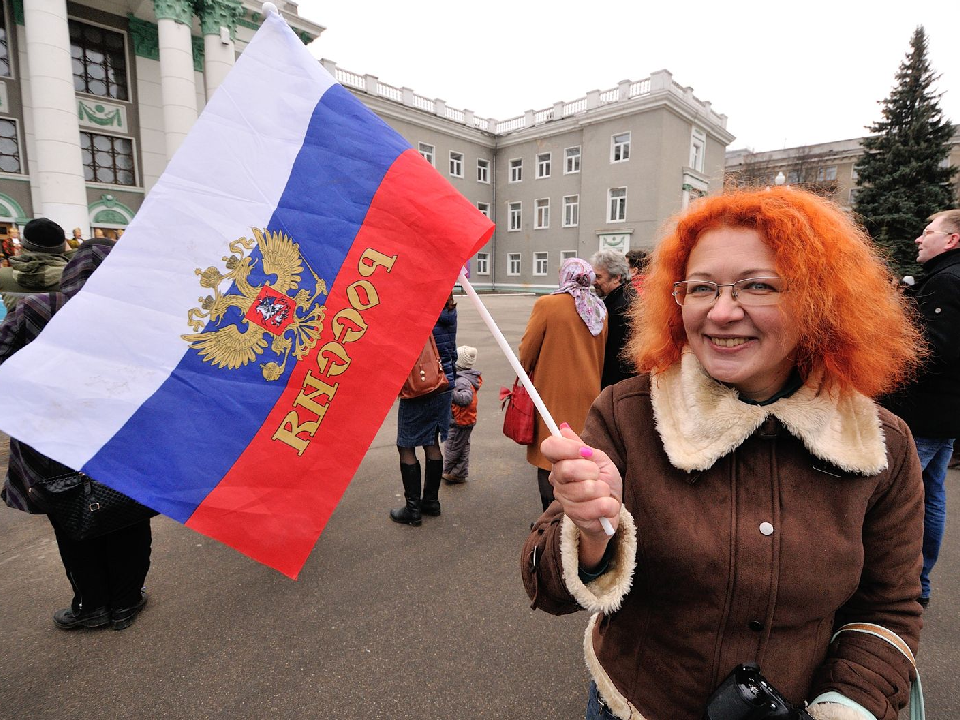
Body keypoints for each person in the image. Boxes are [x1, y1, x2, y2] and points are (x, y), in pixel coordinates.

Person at [521, 187, 925, 720]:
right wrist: (591, 532)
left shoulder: (881, 443)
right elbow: (547, 588)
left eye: (757, 286)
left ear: (820, 299)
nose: (722, 311)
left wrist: (847, 704)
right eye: (702, 287)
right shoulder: (627, 414)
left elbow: (888, 608)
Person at [0, 237, 152, 631]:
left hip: (50, 438)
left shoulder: (37, 309)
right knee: (125, 514)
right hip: (120, 437)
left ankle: (91, 606)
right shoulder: (140, 320)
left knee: (72, 518)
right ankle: (126, 603)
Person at [881, 208, 960, 608]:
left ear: (952, 240)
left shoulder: (947, 281)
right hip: (943, 413)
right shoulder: (944, 278)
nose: (919, 237)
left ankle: (897, 591)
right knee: (931, 496)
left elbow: (936, 348)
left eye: (928, 231)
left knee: (894, 500)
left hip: (924, 413)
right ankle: (919, 584)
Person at [519, 257, 606, 511]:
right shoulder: (599, 308)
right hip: (589, 393)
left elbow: (526, 354)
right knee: (578, 457)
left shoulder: (548, 304)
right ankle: (575, 519)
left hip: (553, 393)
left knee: (549, 459)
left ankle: (552, 520)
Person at [390, 292, 458, 526]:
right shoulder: (450, 309)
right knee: (431, 441)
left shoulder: (417, 312)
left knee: (405, 444)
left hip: (420, 386)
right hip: (445, 382)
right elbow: (451, 348)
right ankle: (431, 501)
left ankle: (413, 509)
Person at [0, 218, 70, 312]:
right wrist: (71, 253)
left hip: (20, 325)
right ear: (63, 247)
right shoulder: (73, 277)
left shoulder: (3, 276)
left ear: (23, 245)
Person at [591, 250, 637, 388]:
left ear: (616, 277)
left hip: (619, 384)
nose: (594, 282)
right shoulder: (625, 296)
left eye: (598, 277)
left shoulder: (620, 307)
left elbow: (617, 357)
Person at [442, 345, 482, 484]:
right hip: (466, 419)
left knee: (452, 446)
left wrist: (450, 393)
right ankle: (459, 473)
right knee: (463, 447)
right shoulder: (467, 377)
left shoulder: (463, 381)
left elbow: (466, 398)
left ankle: (449, 471)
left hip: (460, 421)